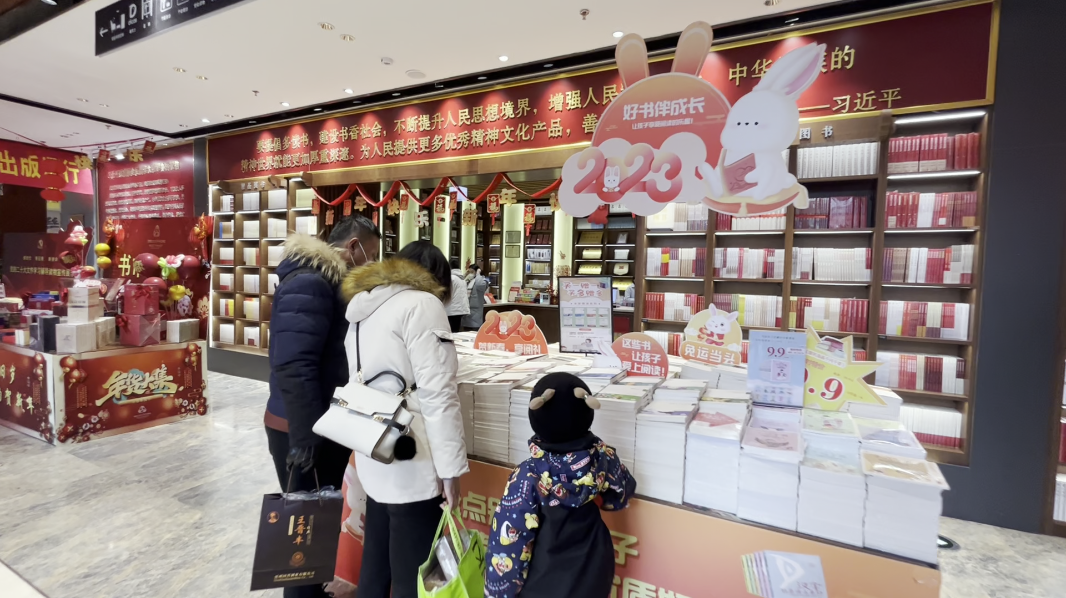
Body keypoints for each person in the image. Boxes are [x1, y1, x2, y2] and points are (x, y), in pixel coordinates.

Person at [340, 240, 469, 598]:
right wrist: (451, 471)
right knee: (413, 573)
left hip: (373, 444)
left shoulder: (364, 306)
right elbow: (439, 394)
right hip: (413, 453)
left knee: (376, 563)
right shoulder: (423, 304)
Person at [264, 214, 379, 598]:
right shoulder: (311, 283)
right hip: (302, 427)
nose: (372, 263)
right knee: (303, 530)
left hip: (319, 423)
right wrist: (305, 436)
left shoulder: (325, 283)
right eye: (371, 254)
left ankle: (313, 591)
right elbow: (294, 364)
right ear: (353, 247)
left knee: (318, 523)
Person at [486, 372, 635, 598]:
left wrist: (496, 593)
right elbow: (622, 495)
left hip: (544, 585)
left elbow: (508, 545)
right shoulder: (603, 457)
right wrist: (597, 496)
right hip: (594, 573)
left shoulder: (527, 475)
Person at [461, 263, 489, 331]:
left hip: (475, 312)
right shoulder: (467, 281)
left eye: (472, 272)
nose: (470, 273)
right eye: (469, 271)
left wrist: (478, 275)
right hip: (466, 311)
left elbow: (480, 285)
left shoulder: (481, 280)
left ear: (477, 271)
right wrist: (464, 276)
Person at [445, 256, 470, 332]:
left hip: (452, 309)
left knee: (450, 332)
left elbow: (447, 293)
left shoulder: (451, 278)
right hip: (460, 309)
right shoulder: (462, 279)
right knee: (456, 330)